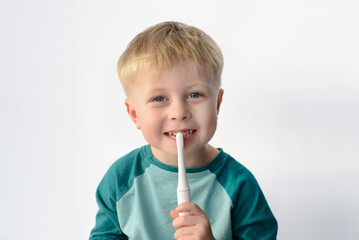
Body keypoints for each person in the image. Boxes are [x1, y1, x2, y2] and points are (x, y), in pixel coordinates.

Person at [89, 21, 278, 240]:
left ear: (217, 104)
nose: (179, 112)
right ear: (134, 114)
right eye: (159, 98)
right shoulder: (121, 180)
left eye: (194, 95)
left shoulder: (239, 184)